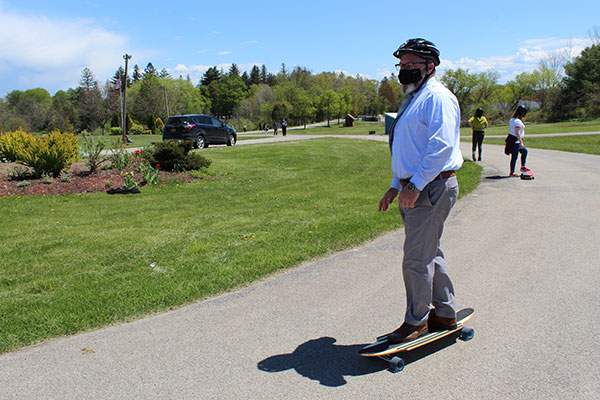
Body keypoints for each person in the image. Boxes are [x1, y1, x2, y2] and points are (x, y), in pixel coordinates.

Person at [378, 38, 464, 343]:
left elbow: (439, 149)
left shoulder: (437, 98)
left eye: (410, 66)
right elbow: (409, 150)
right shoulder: (415, 98)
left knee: (415, 259)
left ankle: (416, 321)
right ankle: (444, 311)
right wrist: (394, 186)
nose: (403, 72)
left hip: (430, 187)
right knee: (428, 253)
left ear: (430, 67)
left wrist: (414, 186)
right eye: (401, 66)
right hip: (417, 187)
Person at [507, 105, 529, 177]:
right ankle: (512, 172)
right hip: (515, 142)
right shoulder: (517, 121)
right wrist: (521, 143)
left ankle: (523, 167)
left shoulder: (512, 120)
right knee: (514, 157)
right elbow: (517, 132)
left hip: (512, 140)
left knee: (524, 151)